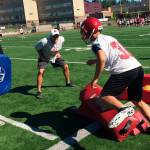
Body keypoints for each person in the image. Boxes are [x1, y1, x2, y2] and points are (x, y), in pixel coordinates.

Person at [80, 17, 150, 127]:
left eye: (84, 31)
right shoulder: (109, 37)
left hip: (124, 70)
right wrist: (94, 61)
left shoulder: (96, 43)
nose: (83, 34)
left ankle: (124, 109)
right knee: (138, 101)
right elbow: (126, 54)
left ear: (91, 31)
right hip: (137, 67)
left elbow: (102, 59)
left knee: (105, 95)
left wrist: (96, 78)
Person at [35, 28, 74, 99]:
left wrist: (57, 53)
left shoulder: (62, 39)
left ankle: (68, 82)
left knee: (65, 66)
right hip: (44, 57)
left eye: (57, 36)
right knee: (41, 72)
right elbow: (37, 47)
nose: (56, 37)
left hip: (54, 56)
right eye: (54, 36)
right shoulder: (44, 41)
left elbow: (57, 47)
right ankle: (39, 91)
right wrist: (42, 56)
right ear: (50, 36)